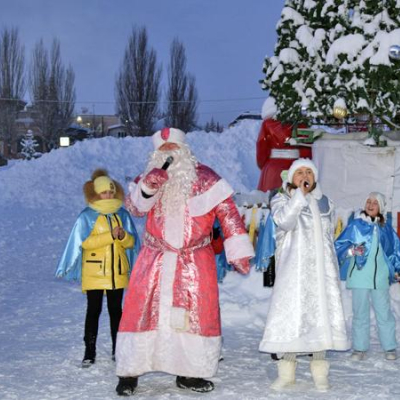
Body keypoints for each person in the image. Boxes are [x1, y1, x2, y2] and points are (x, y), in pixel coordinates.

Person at [114, 128, 254, 396]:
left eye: (174, 148)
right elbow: (134, 209)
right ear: (157, 154)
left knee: (196, 316)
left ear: (184, 150)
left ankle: (190, 373)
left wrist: (238, 250)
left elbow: (228, 214)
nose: (169, 154)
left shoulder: (207, 178)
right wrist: (147, 188)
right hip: (154, 259)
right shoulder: (147, 178)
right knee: (140, 312)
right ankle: (130, 372)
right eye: (163, 150)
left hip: (195, 262)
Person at [259, 158, 349, 392]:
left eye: (309, 172)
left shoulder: (325, 202)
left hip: (321, 273)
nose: (305, 175)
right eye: (300, 172)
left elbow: (328, 236)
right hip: (294, 272)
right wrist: (299, 196)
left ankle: (320, 373)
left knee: (319, 317)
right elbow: (285, 222)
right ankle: (286, 373)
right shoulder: (282, 199)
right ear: (291, 177)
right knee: (292, 317)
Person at [55, 169, 140, 367]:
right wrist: (110, 235)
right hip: (94, 272)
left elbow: (131, 243)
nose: (108, 195)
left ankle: (117, 350)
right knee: (93, 311)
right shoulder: (87, 216)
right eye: (104, 192)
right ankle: (89, 351)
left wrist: (122, 237)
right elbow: (84, 243)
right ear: (95, 193)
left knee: (116, 312)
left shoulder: (121, 213)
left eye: (111, 191)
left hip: (117, 271)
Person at [335, 192, 400, 361]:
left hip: (380, 279)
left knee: (384, 313)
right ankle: (359, 349)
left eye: (375, 203)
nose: (370, 205)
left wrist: (399, 271)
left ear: (381, 207)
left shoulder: (385, 229)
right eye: (368, 201)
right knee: (360, 314)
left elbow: (395, 252)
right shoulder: (355, 226)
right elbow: (339, 247)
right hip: (359, 277)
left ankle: (390, 347)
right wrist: (352, 251)